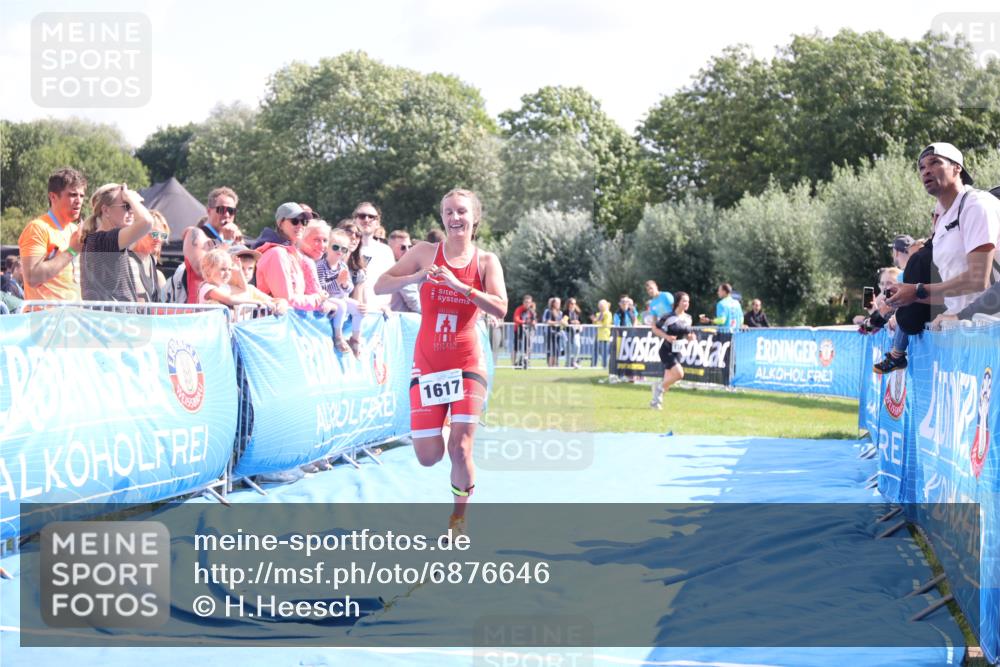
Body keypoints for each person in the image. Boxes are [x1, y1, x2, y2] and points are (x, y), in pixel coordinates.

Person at [374, 188, 507, 536]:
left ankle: (458, 519)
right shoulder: (424, 253)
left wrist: (461, 286)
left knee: (460, 448)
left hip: (467, 363)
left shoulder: (486, 261)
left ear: (474, 218)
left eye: (461, 211)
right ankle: (447, 425)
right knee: (428, 456)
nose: (454, 218)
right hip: (429, 364)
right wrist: (416, 277)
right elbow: (379, 286)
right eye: (448, 212)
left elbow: (501, 307)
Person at [888, 143, 1000, 327]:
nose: (926, 171)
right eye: (922, 167)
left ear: (957, 167)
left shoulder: (976, 205)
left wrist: (919, 290)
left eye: (934, 162)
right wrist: (910, 295)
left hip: (989, 328)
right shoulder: (943, 219)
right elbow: (953, 294)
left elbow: (978, 280)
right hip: (960, 326)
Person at [18, 167, 86, 301]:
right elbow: (32, 278)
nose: (79, 201)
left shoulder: (75, 230)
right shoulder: (37, 228)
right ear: (53, 197)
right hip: (45, 313)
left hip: (75, 312)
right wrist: (72, 251)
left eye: (82, 195)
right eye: (72, 195)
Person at [79, 183, 154, 301]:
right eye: (126, 206)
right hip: (110, 313)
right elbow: (147, 222)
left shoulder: (99, 240)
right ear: (106, 210)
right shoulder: (103, 241)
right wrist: (132, 199)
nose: (131, 211)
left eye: (131, 206)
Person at [255, 203, 330, 312]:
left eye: (304, 222)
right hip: (274, 320)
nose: (300, 225)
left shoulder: (291, 254)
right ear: (280, 223)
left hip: (289, 319)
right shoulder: (276, 253)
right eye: (295, 221)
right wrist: (317, 299)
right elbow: (287, 301)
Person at [183, 186, 239, 303]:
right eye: (221, 209)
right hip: (200, 308)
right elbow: (201, 269)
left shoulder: (233, 240)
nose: (227, 214)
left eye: (231, 211)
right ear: (209, 211)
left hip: (226, 306)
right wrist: (227, 242)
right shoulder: (196, 233)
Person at [317, 228, 364, 355]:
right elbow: (322, 288)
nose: (339, 251)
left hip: (340, 297)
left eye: (344, 249)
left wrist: (344, 284)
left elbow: (350, 288)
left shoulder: (343, 266)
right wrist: (337, 282)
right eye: (335, 247)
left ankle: (355, 339)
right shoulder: (321, 266)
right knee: (342, 305)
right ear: (327, 248)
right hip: (328, 299)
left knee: (359, 308)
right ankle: (338, 336)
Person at [650, 291, 697, 409]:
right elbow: (654, 328)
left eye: (688, 301)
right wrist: (666, 337)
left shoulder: (688, 318)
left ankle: (655, 403)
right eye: (684, 301)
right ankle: (658, 387)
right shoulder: (668, 317)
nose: (687, 303)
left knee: (667, 383)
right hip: (666, 350)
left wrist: (691, 337)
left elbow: (687, 334)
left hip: (678, 351)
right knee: (679, 374)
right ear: (678, 302)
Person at [353, 202, 395, 309]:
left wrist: (385, 306)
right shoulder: (345, 248)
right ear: (354, 220)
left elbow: (390, 284)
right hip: (352, 311)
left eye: (371, 217)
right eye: (362, 216)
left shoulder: (386, 251)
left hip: (378, 312)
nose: (366, 220)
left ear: (378, 223)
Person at [226, 245, 287, 314]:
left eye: (250, 268)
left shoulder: (251, 289)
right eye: (241, 268)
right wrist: (259, 303)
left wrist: (282, 303)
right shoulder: (221, 288)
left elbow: (274, 300)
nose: (246, 273)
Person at [128, 210, 169, 303]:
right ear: (139, 233)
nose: (159, 239)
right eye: (153, 234)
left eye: (163, 235)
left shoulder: (155, 272)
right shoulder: (129, 262)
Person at [387, 229, 421, 313]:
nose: (407, 250)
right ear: (390, 249)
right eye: (402, 247)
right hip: (400, 319)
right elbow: (414, 303)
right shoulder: (400, 271)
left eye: (410, 247)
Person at [512, 294, 536, 367]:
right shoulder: (519, 309)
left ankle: (526, 362)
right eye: (526, 302)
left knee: (527, 347)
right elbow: (516, 319)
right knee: (516, 348)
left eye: (529, 302)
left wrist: (533, 322)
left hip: (528, 332)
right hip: (518, 331)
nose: (527, 304)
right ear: (523, 302)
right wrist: (524, 322)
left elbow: (534, 320)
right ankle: (513, 364)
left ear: (531, 303)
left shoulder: (531, 311)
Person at [590, 298, 612, 368]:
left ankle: (604, 365)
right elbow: (595, 324)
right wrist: (594, 321)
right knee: (595, 350)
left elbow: (606, 324)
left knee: (604, 352)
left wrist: (597, 321)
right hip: (598, 334)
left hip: (605, 335)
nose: (600, 307)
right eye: (599, 306)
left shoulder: (608, 313)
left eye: (601, 306)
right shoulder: (598, 314)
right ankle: (593, 365)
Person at [542, 297, 564, 367]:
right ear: (553, 303)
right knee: (551, 349)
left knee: (557, 349)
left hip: (558, 333)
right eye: (557, 303)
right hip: (550, 333)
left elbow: (562, 323)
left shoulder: (560, 313)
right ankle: (550, 365)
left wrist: (563, 323)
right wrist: (558, 322)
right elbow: (547, 321)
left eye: (559, 303)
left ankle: (555, 364)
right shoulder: (549, 311)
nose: (559, 304)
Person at [564, 297, 583, 368]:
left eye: (574, 303)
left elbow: (581, 321)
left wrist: (580, 325)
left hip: (576, 332)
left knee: (577, 346)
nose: (573, 305)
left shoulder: (577, 312)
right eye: (572, 303)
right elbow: (564, 321)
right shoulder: (565, 312)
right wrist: (572, 322)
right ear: (568, 304)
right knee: (568, 348)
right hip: (568, 331)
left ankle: (574, 361)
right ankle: (568, 363)